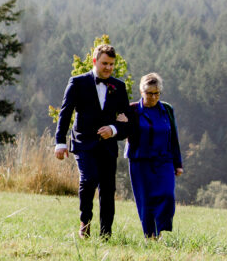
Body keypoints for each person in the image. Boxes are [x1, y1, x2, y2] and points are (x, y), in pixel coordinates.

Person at [54, 44, 130, 238]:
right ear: (95, 61)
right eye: (105, 63)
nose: (108, 68)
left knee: (107, 189)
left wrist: (113, 129)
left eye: (112, 64)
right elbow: (65, 113)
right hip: (83, 143)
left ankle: (106, 234)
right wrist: (60, 142)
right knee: (88, 180)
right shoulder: (77, 82)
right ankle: (85, 222)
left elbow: (126, 121)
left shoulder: (119, 87)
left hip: (108, 147)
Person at [122, 73, 183, 239]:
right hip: (140, 160)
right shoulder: (133, 109)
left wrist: (178, 163)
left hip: (164, 160)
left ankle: (160, 228)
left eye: (157, 93)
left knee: (167, 195)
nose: (153, 97)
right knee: (146, 199)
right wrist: (121, 121)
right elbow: (123, 131)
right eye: (149, 93)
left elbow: (174, 137)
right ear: (142, 92)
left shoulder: (167, 110)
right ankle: (151, 235)